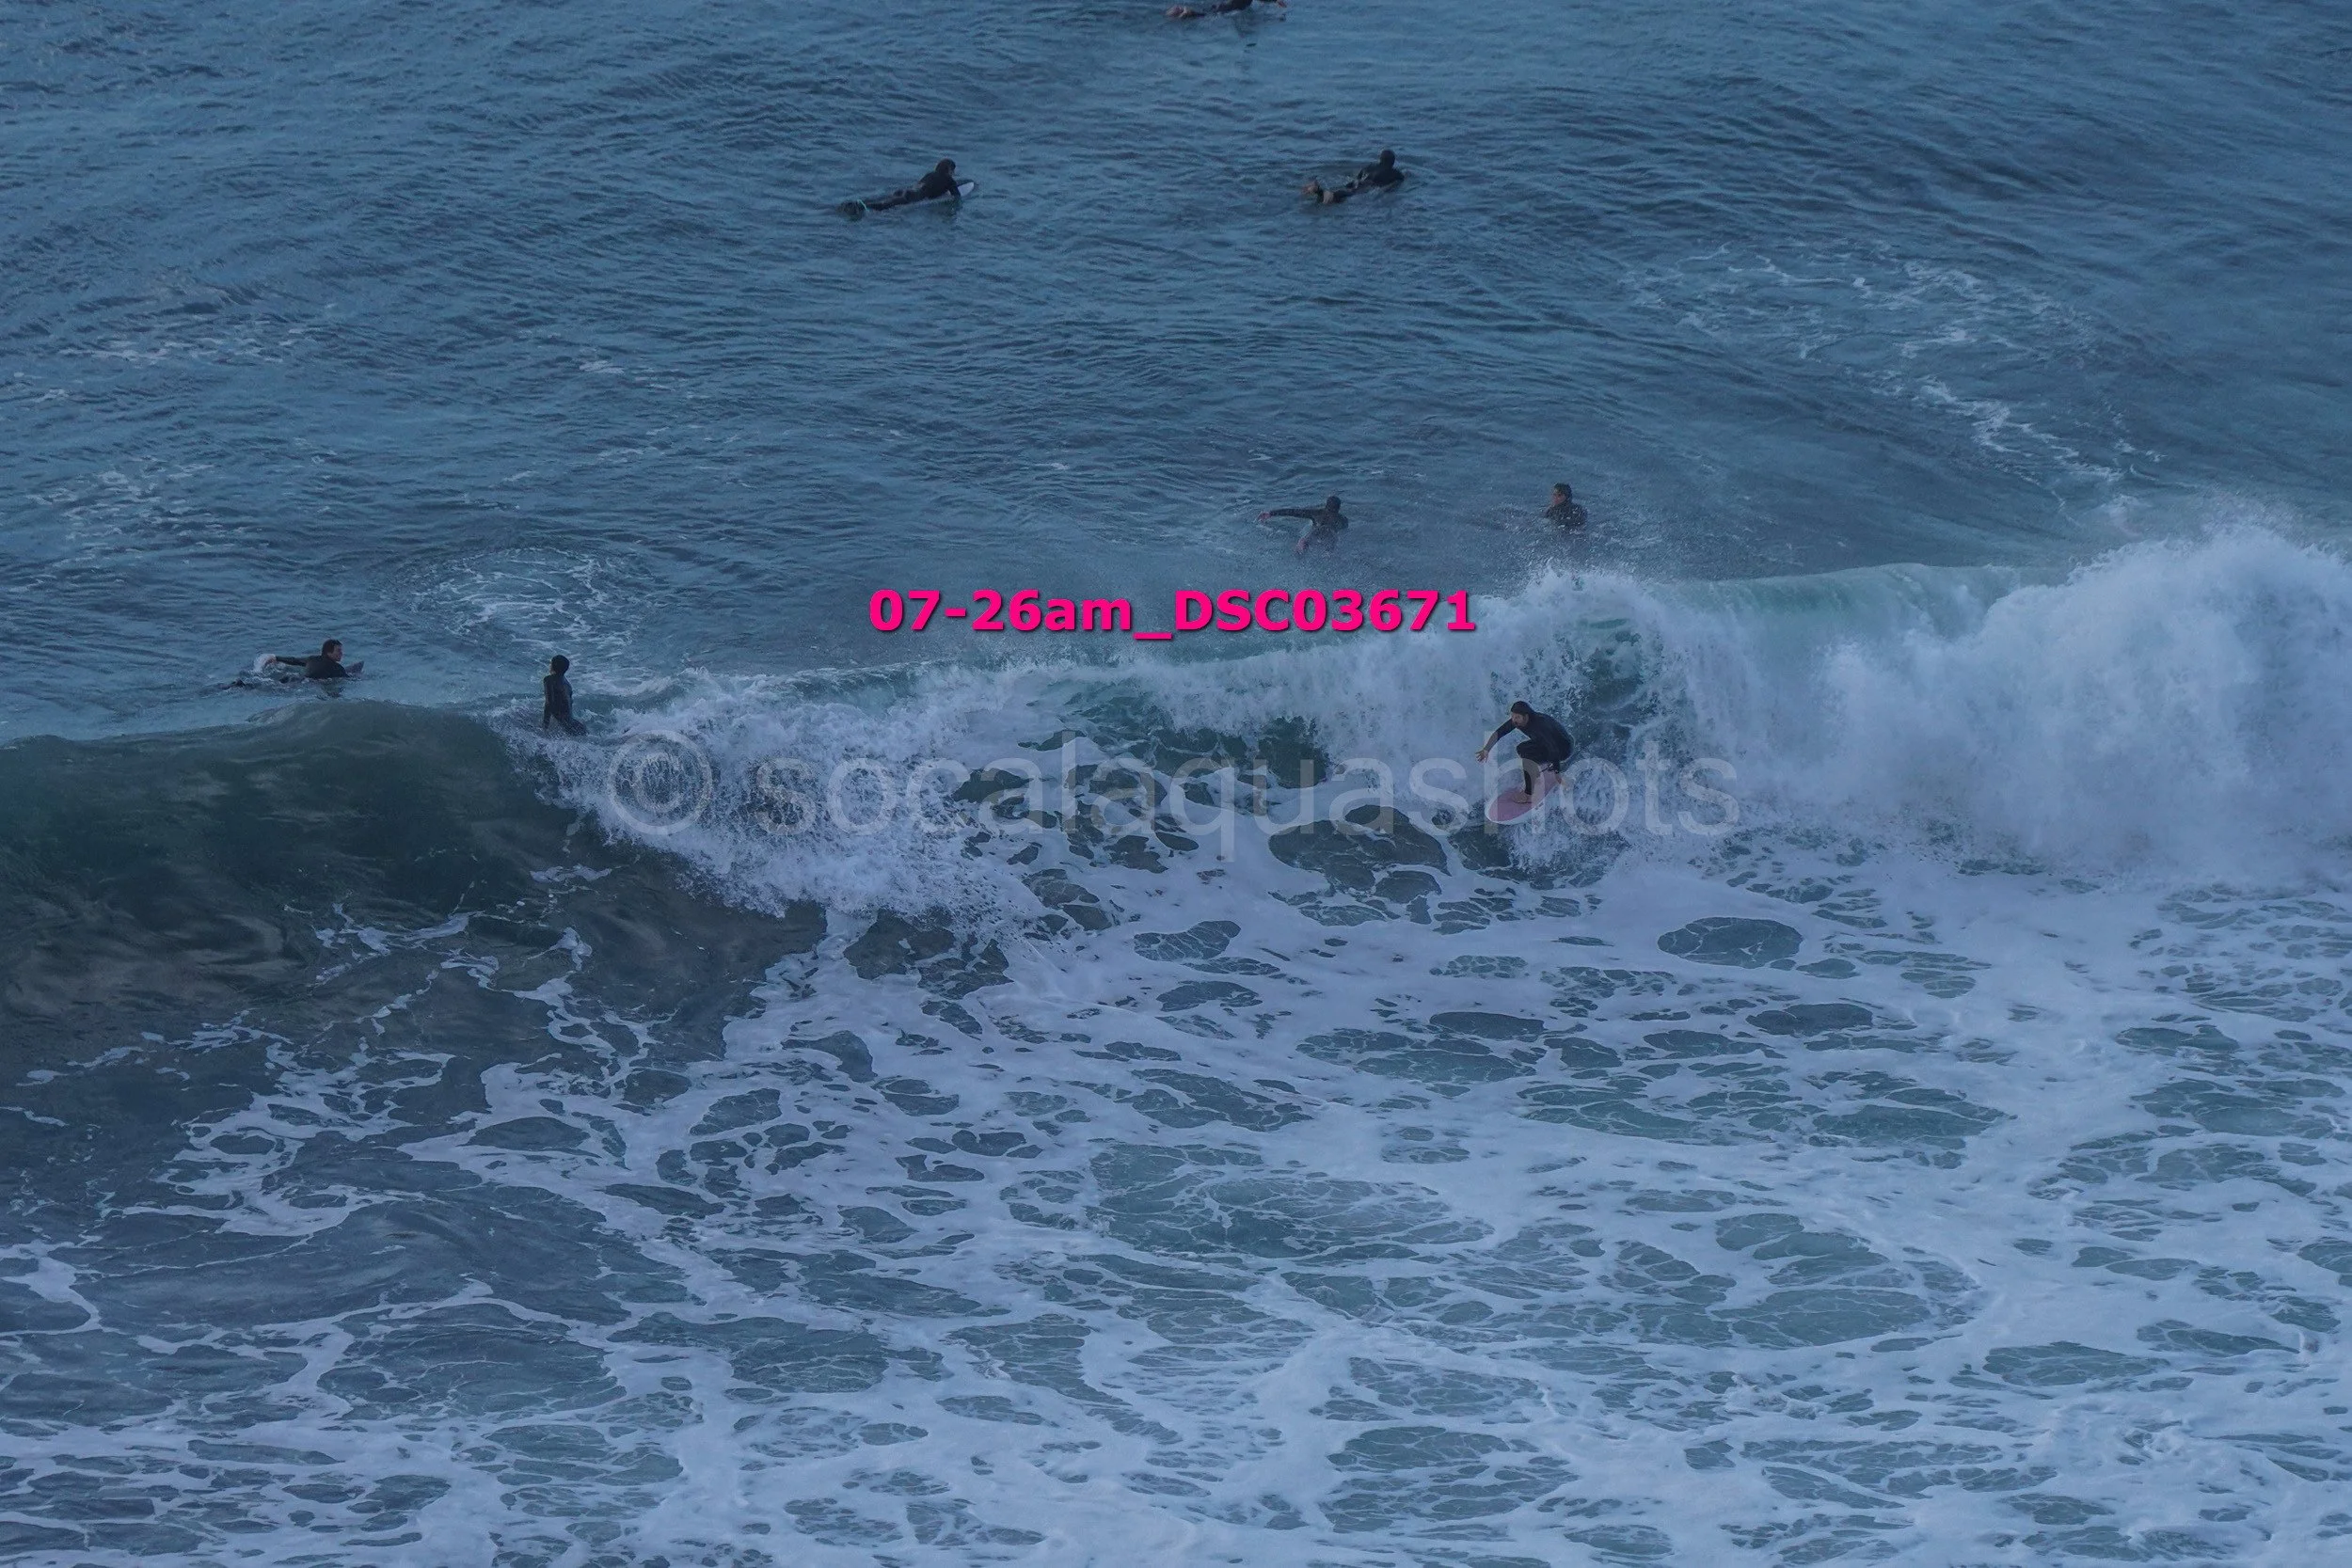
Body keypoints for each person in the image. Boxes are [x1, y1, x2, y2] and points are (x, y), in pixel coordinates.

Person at [1476, 701, 1574, 800]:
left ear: (1526, 716)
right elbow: (1500, 732)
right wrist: (1486, 749)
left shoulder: (1540, 725)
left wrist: (1557, 775)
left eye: (1517, 717)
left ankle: (1528, 795)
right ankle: (1541, 768)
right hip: (1548, 743)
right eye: (1513, 716)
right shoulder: (1518, 722)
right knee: (1522, 749)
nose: (1514, 720)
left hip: (1563, 749)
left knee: (1528, 759)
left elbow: (1554, 749)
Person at [1304, 149, 1404, 205]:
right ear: (1393, 162)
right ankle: (1327, 194)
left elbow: (1358, 177)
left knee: (1348, 190)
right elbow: (1400, 181)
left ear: (1380, 158)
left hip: (1356, 182)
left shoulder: (1370, 166)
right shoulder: (1395, 173)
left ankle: (1319, 191)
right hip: (1367, 187)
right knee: (1350, 194)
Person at [860, 158, 962, 212]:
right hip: (913, 197)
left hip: (906, 191)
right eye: (953, 170)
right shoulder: (950, 181)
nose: (953, 173)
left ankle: (862, 203)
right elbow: (957, 196)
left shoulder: (930, 174)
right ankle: (863, 207)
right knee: (884, 206)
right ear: (949, 170)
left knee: (885, 201)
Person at [1260, 494, 1348, 555]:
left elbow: (1294, 512)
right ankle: (1329, 553)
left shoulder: (1317, 513)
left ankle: (1301, 546)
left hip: (1314, 536)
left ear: (1326, 505)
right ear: (1339, 508)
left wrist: (1271, 513)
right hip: (1328, 539)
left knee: (1306, 542)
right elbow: (1343, 532)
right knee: (1331, 537)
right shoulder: (1343, 520)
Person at [542, 655, 586, 736]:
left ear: (553, 666)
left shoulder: (549, 679)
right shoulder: (567, 684)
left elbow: (549, 703)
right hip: (573, 723)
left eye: (551, 663)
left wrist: (545, 726)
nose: (549, 665)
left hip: (563, 725)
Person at [270, 640, 350, 680]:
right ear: (329, 652)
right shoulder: (337, 668)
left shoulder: (311, 659)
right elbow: (348, 680)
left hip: (296, 679)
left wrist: (276, 658)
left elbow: (293, 660)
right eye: (338, 651)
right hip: (309, 684)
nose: (342, 653)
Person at [1168, 0, 1280, 17]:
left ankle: (1184, 11)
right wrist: (1276, 1)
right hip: (1229, 8)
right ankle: (1188, 12)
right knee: (1205, 15)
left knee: (1207, 12)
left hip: (1223, 4)